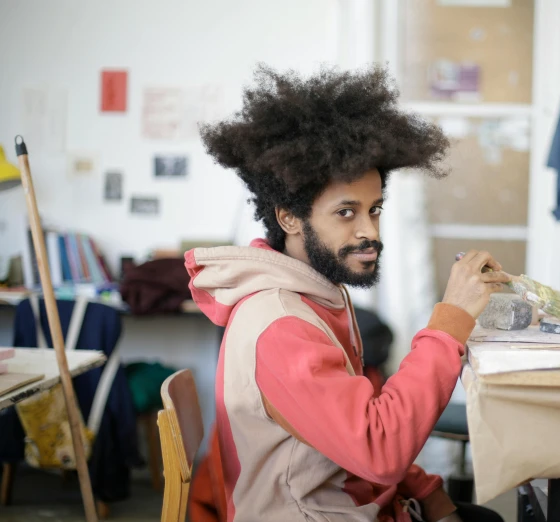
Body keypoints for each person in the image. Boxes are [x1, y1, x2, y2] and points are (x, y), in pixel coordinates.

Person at [185, 64, 510, 522]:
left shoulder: (316, 294)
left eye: (374, 210)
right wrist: (451, 319)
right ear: (290, 218)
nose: (369, 232)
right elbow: (379, 448)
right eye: (345, 212)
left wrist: (434, 501)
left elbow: (366, 423)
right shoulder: (280, 326)